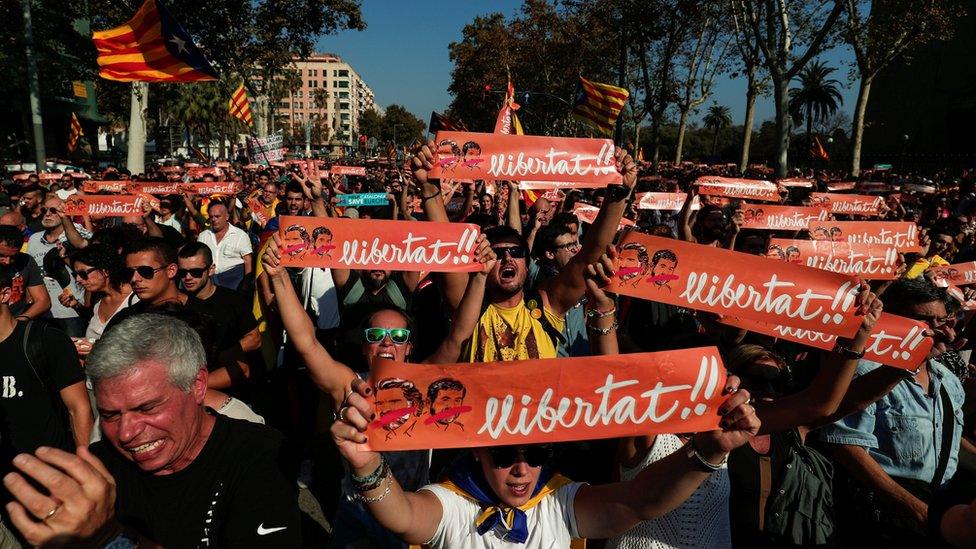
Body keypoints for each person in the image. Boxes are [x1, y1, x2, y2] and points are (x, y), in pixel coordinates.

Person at [329, 372, 759, 548]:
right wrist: (366, 466)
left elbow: (640, 502)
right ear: (477, 450)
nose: (521, 469)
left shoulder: (559, 501)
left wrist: (707, 451)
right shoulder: (452, 502)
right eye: (503, 455)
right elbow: (403, 515)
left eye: (534, 454)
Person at [3, 314, 301, 547]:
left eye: (147, 408)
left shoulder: (260, 454)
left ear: (197, 385)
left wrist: (110, 540)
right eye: (109, 414)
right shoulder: (99, 468)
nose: (126, 433)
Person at [819, 277, 967, 544]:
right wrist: (913, 508)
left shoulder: (949, 381)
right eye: (925, 321)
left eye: (943, 321)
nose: (938, 330)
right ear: (894, 319)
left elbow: (951, 439)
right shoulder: (866, 372)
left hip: (931, 509)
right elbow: (843, 444)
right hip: (880, 514)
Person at [0, 264, 93, 499]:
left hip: (49, 477)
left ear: (5, 294)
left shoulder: (45, 340)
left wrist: (84, 469)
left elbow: (78, 408)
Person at [178, 242, 260, 394]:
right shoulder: (178, 303)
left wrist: (220, 352)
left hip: (231, 385)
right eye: (182, 273)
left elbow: (254, 339)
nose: (188, 277)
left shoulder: (233, 300)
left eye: (196, 272)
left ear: (211, 270)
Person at [24, 196, 91, 337]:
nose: (47, 214)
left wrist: (65, 257)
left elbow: (88, 269)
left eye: (53, 210)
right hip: (42, 311)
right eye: (45, 210)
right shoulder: (34, 238)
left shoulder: (75, 239)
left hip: (70, 311)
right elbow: (29, 272)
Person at [65, 243, 137, 342]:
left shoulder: (135, 300)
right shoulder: (97, 298)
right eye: (75, 274)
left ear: (106, 270)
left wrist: (95, 348)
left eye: (83, 274)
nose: (78, 279)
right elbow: (94, 338)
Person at [197, 201, 253, 291]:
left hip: (234, 282)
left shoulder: (240, 235)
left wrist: (246, 284)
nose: (214, 219)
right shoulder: (203, 236)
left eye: (217, 216)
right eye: (211, 217)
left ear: (227, 217)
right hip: (210, 283)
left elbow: (248, 260)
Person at [0, 225, 50, 321]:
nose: (7, 261)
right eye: (1, 255)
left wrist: (19, 321)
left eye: (13, 257)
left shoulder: (25, 261)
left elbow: (43, 301)